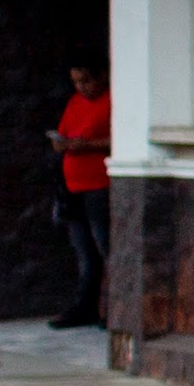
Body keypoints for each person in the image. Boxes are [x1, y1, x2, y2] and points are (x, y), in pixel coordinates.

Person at [47, 60, 112, 331]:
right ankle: (85, 305)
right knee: (85, 251)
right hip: (73, 186)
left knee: (107, 247)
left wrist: (87, 146)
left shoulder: (112, 101)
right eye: (76, 81)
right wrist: (62, 143)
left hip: (99, 184)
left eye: (86, 80)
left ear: (102, 76)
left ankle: (114, 308)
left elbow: (123, 137)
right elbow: (61, 134)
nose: (82, 87)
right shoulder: (75, 102)